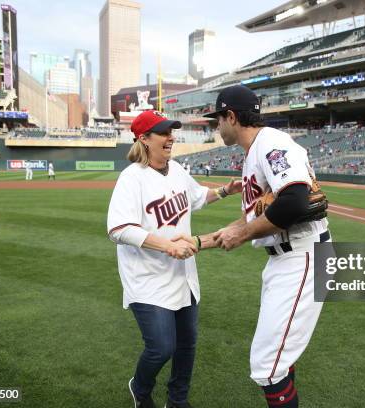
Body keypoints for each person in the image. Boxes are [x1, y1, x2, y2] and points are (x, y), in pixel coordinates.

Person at [197, 85, 330, 408]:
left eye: (218, 119)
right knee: (276, 360)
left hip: (303, 255)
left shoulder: (270, 142)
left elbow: (296, 201)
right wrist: (206, 241)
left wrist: (242, 235)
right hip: (288, 257)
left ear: (232, 116)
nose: (217, 126)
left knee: (267, 365)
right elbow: (263, 215)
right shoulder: (255, 151)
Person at [107, 110, 242, 408]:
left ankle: (177, 401)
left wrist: (223, 191)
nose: (171, 137)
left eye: (172, 131)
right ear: (144, 139)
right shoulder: (132, 178)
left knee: (186, 346)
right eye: (163, 132)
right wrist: (166, 246)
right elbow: (118, 229)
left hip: (183, 276)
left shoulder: (177, 169)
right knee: (160, 348)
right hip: (147, 278)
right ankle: (140, 390)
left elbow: (196, 197)